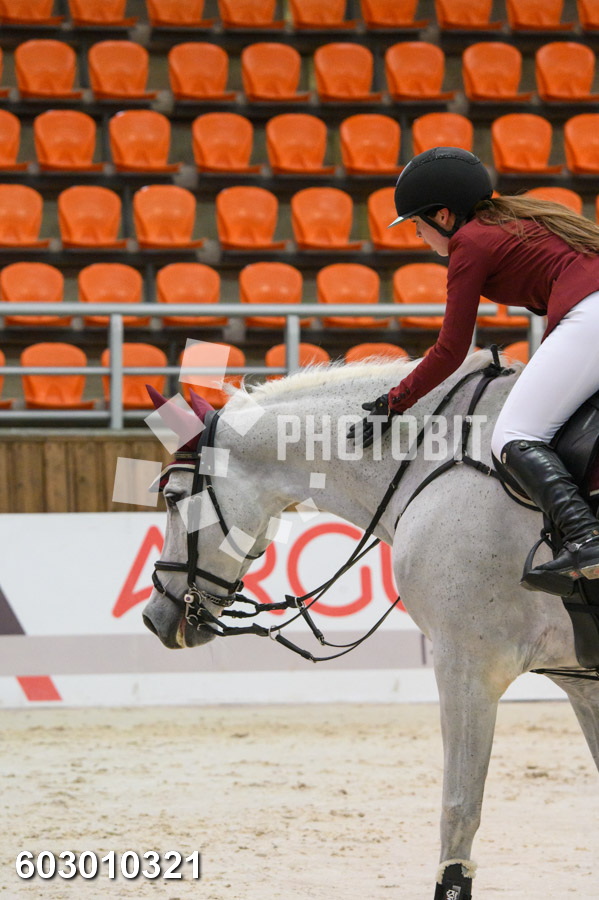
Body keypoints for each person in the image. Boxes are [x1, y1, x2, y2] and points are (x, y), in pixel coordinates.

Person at [353, 146, 599, 597]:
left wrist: (394, 402)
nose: (417, 235)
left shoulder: (469, 242)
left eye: (417, 223)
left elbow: (450, 351)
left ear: (443, 216)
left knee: (513, 435)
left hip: (591, 314)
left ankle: (586, 538)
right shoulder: (513, 221)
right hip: (589, 310)